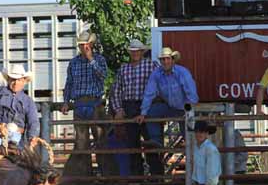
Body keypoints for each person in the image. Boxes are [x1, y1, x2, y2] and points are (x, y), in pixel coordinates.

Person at [136, 47, 199, 175]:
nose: (165, 62)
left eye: (167, 59)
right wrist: (143, 112)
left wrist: (189, 109)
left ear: (172, 60)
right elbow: (149, 93)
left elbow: (191, 94)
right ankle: (157, 141)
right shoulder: (156, 74)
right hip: (170, 107)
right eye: (162, 59)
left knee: (190, 141)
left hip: (184, 108)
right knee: (151, 112)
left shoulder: (183, 73)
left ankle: (195, 172)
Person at [109, 39, 158, 175]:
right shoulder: (123, 68)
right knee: (132, 143)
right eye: (133, 51)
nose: (135, 53)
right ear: (130, 52)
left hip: (147, 105)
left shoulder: (152, 65)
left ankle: (156, 176)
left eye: (137, 51)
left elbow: (159, 84)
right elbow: (116, 91)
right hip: (129, 106)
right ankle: (137, 176)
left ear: (142, 52)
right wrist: (119, 110)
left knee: (150, 141)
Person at [61, 31, 108, 174]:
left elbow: (103, 76)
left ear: (91, 45)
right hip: (79, 104)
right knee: (82, 143)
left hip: (96, 103)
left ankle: (105, 173)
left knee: (100, 141)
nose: (83, 47)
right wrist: (66, 101)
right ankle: (85, 175)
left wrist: (91, 60)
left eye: (85, 45)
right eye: (81, 45)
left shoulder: (99, 59)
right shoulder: (73, 62)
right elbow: (69, 83)